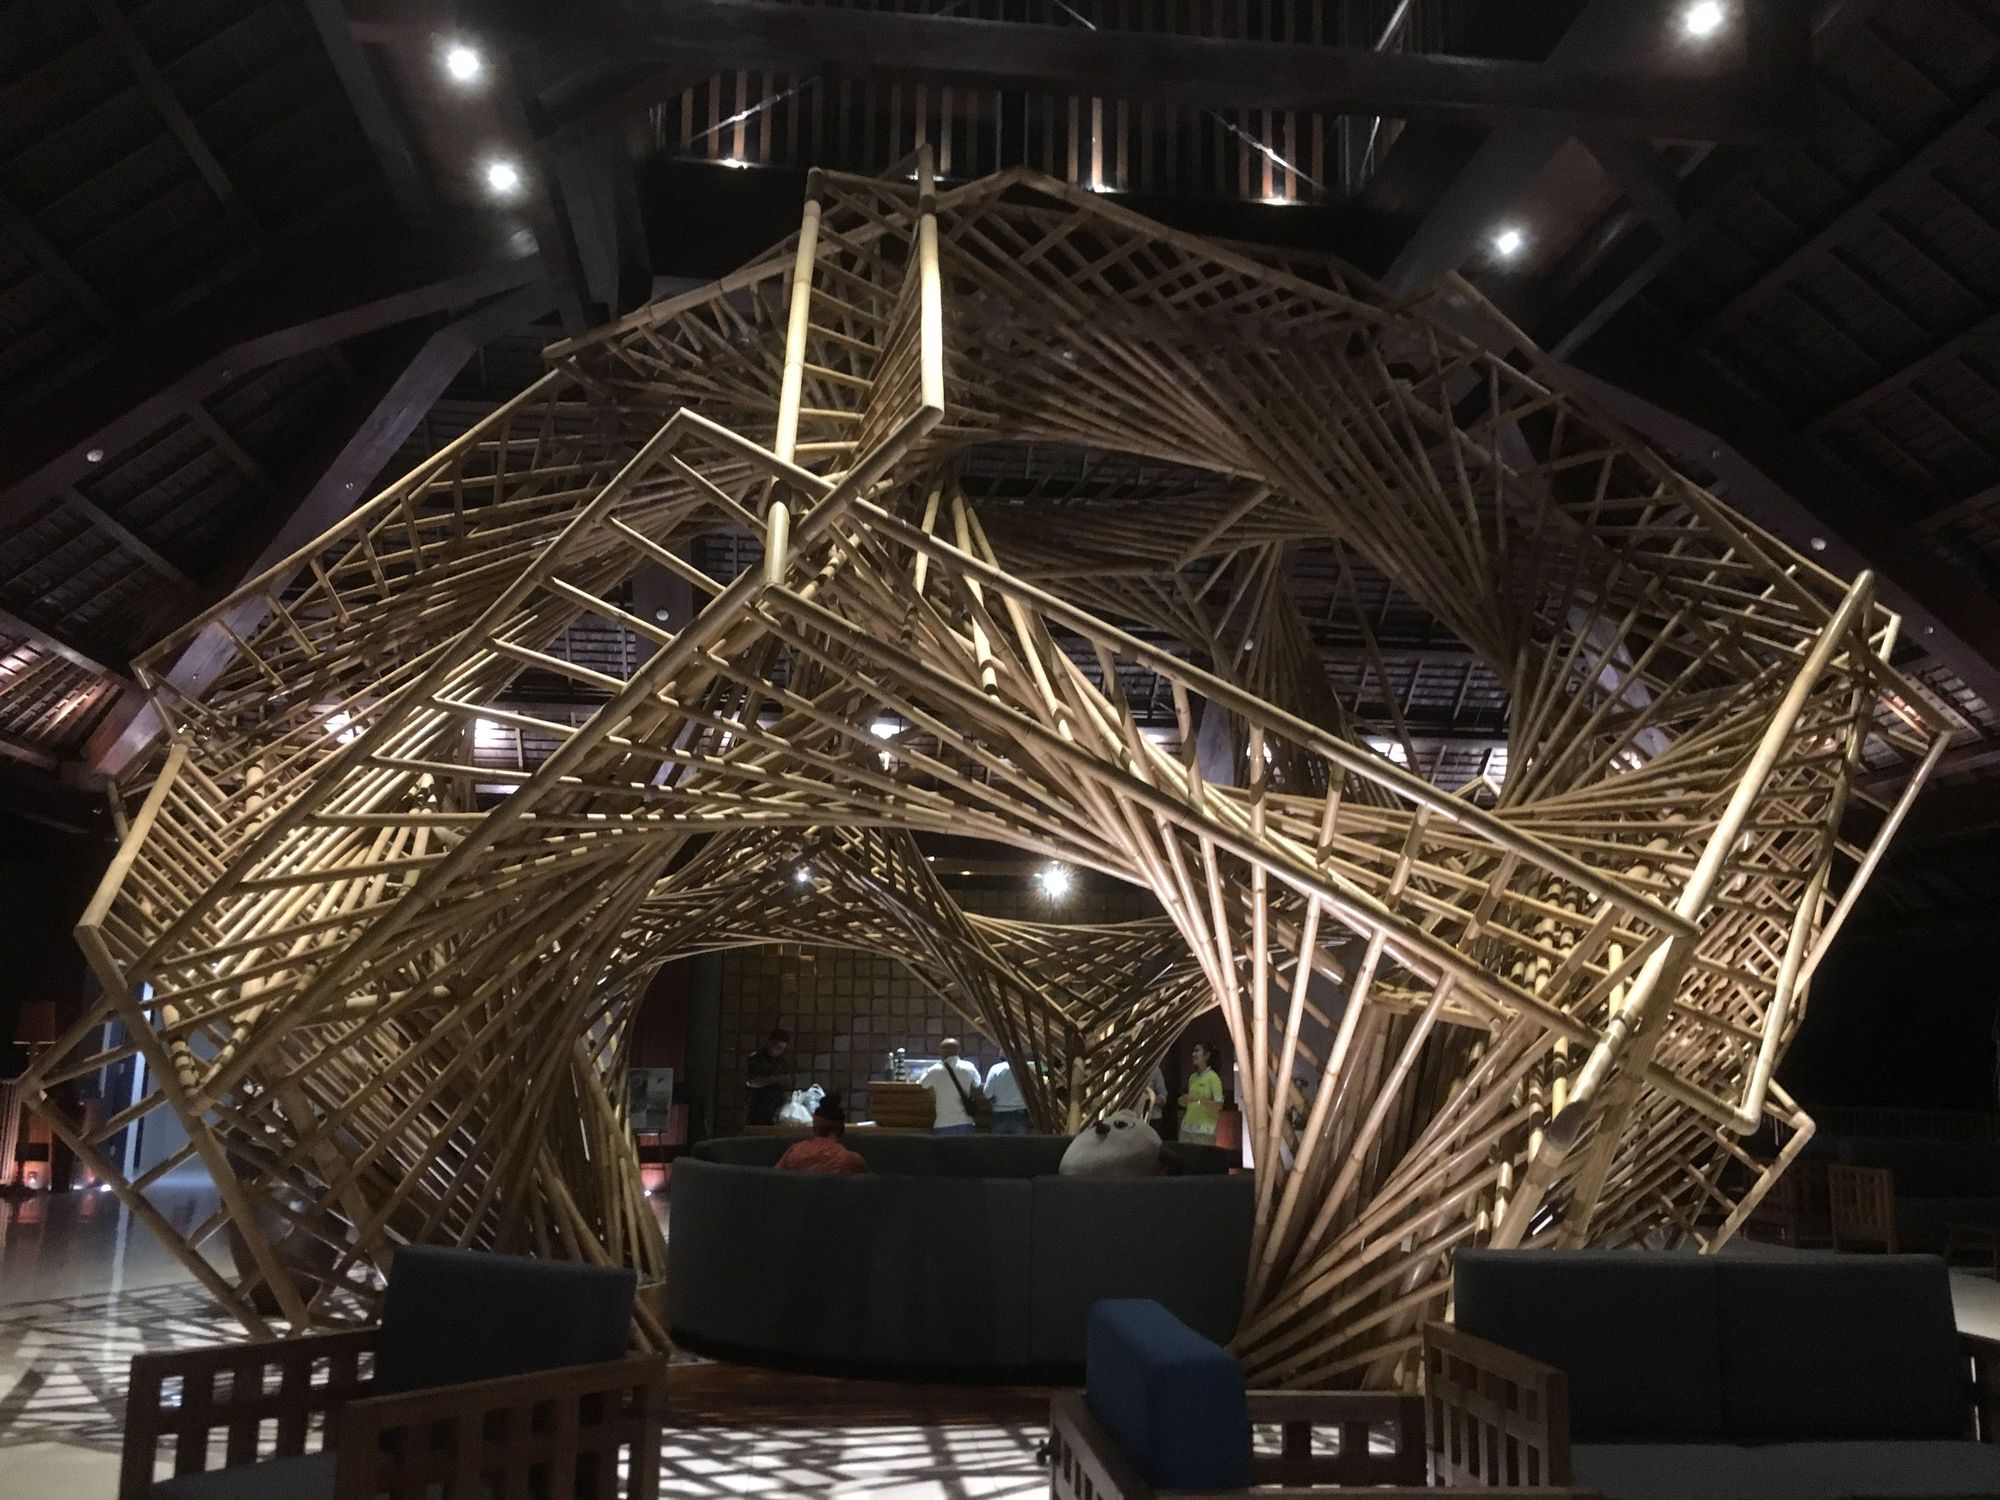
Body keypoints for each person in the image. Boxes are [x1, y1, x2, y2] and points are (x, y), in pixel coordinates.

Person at [776, 1094, 869, 1174]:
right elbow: (870, 1185)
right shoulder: (850, 1160)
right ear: (841, 1129)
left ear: (814, 1127)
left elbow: (775, 1179)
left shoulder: (793, 1153)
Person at [920, 1037, 983, 1135]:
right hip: (965, 1122)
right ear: (958, 1051)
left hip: (943, 1123)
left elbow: (923, 1084)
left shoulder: (935, 1070)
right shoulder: (969, 1067)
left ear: (942, 1052)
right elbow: (977, 1083)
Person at [743, 1029, 793, 1127]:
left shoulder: (780, 1062)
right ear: (770, 1042)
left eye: (781, 1049)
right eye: (777, 1047)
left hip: (775, 1108)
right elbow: (752, 1081)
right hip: (757, 1107)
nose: (778, 1051)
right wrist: (776, 1079)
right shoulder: (756, 1058)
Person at [1178, 1041, 1224, 1146]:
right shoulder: (1192, 1077)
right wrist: (1184, 1101)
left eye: (1197, 1051)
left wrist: (1198, 1100)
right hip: (1187, 1129)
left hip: (1205, 1131)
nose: (1193, 1054)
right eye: (1193, 1051)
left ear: (1207, 1055)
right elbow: (1191, 1102)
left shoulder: (1213, 1078)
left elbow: (1219, 1105)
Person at [984, 1055, 1028, 1134]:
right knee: (1020, 1141)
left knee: (998, 1141)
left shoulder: (995, 1068)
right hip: (1019, 1113)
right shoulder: (1024, 1069)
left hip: (999, 1112)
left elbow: (987, 1092)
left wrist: (992, 1098)